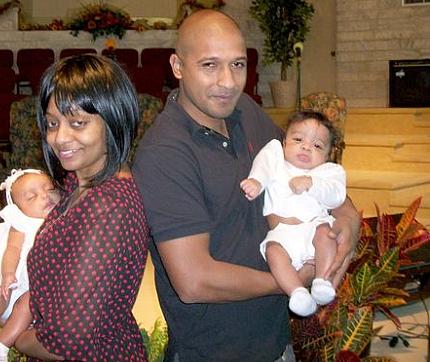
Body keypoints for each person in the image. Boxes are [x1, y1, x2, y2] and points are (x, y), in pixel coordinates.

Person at [132, 9, 360, 361]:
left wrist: (347, 219)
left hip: (274, 342)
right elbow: (194, 281)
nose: (227, 81)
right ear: (178, 67)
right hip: (215, 352)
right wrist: (292, 279)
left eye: (238, 64)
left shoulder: (245, 112)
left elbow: (305, 168)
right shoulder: (165, 153)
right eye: (210, 65)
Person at [5, 54, 150, 361]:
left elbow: (69, 342)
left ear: (114, 119)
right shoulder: (80, 180)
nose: (60, 138)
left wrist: (17, 338)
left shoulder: (108, 207)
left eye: (78, 123)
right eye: (52, 123)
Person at [240, 111, 347, 317]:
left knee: (327, 234)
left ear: (327, 155)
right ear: (285, 142)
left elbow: (337, 196)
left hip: (313, 228)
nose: (306, 146)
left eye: (317, 146)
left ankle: (322, 280)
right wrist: (256, 181)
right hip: (282, 233)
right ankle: (297, 293)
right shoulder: (276, 159)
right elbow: (262, 165)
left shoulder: (329, 172)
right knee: (273, 251)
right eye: (298, 139)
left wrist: (312, 184)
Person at [0, 168, 60, 361]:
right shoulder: (21, 223)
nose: (45, 196)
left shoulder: (62, 219)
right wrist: (7, 275)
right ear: (18, 209)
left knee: (29, 301)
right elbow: (12, 250)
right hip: (12, 284)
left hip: (35, 294)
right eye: (32, 197)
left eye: (49, 189)